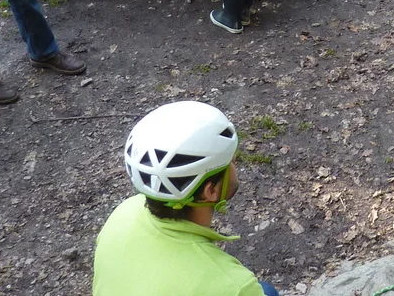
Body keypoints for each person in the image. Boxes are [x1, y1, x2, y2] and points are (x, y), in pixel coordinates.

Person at [92, 101, 278, 296]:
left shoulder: (124, 213)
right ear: (211, 190)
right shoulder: (233, 286)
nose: (235, 165)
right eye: (230, 162)